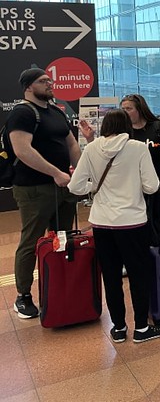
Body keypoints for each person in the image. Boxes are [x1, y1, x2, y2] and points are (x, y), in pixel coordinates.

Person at [67, 109, 160, 343]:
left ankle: (119, 328)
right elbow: (152, 187)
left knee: (111, 276)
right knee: (138, 275)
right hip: (133, 223)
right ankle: (141, 328)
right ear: (127, 126)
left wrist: (93, 188)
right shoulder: (138, 148)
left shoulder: (91, 148)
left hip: (102, 223)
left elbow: (75, 186)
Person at [7, 68, 81, 320]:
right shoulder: (23, 113)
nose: (50, 83)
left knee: (63, 237)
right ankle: (23, 296)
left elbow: (71, 144)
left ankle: (61, 284)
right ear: (28, 86)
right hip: (34, 189)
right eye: (43, 81)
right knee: (32, 240)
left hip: (63, 187)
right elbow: (22, 150)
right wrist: (55, 173)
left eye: (50, 80)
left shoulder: (57, 112)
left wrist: (80, 174)